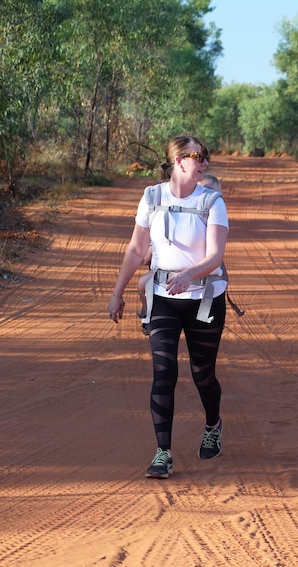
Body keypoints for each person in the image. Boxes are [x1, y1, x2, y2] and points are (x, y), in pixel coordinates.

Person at [108, 135, 229, 479]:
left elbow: (214, 256)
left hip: (204, 298)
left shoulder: (213, 201)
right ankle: (163, 452)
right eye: (198, 156)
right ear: (178, 160)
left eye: (206, 157)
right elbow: (135, 249)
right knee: (164, 373)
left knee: (202, 374)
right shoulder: (151, 197)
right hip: (163, 298)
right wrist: (118, 292)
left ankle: (212, 424)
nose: (204, 162)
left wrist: (189, 275)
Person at [136, 173, 224, 333]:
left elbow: (217, 258)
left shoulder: (216, 218)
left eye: (215, 193)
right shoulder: (173, 214)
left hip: (202, 280)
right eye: (205, 190)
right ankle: (147, 311)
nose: (209, 195)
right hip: (167, 277)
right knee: (142, 283)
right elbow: (144, 257)